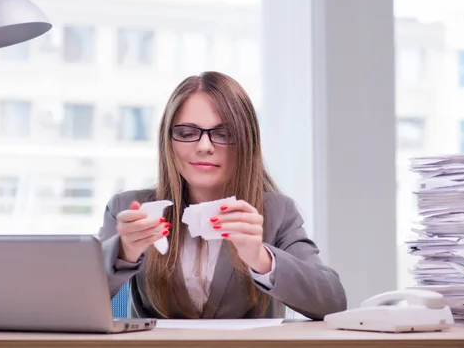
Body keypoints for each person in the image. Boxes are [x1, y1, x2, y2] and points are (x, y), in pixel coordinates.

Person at [98, 71, 347, 319]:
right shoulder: (128, 209)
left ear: (246, 142)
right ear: (168, 141)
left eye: (223, 134)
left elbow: (332, 302)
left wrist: (261, 258)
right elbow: (69, 303)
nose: (204, 147)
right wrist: (124, 252)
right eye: (187, 133)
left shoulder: (277, 212)